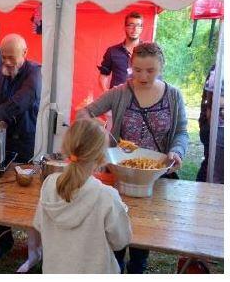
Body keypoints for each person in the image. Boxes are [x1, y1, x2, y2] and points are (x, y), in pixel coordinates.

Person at [77, 42, 189, 273]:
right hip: (121, 174)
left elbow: (181, 132)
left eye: (150, 70)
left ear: (161, 68)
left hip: (155, 178)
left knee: (143, 234)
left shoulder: (174, 96)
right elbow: (85, 112)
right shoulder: (120, 92)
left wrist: (176, 151)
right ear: (130, 66)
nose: (143, 76)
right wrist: (94, 126)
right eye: (137, 70)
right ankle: (115, 265)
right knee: (116, 228)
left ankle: (138, 265)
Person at [33, 118, 133, 274]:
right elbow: (121, 241)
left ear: (66, 148)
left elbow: (39, 224)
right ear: (101, 159)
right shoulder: (106, 197)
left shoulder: (48, 185)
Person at [0, 34, 43, 258]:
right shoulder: (0, 71)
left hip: (25, 141)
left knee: (26, 193)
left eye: (11, 58)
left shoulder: (34, 72)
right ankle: (3, 240)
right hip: (1, 140)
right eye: (4, 57)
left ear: (24, 53)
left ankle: (33, 244)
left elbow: (23, 100)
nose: (6, 62)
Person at [99, 12, 145, 90]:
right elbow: (104, 75)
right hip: (117, 99)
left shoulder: (148, 52)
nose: (135, 29)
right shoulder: (112, 51)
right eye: (131, 25)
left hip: (140, 99)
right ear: (125, 27)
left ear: (141, 28)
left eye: (138, 26)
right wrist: (106, 93)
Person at [197, 63, 224, 184]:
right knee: (214, 173)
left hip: (213, 127)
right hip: (217, 129)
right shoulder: (220, 69)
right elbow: (213, 103)